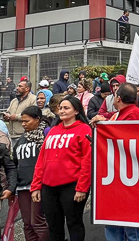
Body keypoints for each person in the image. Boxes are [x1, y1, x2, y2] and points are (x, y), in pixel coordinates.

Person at [31, 96, 92, 241]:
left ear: (76, 110)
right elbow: (42, 160)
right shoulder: (53, 130)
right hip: (48, 186)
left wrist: (82, 188)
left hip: (72, 186)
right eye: (60, 108)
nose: (62, 111)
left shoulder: (84, 129)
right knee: (53, 226)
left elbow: (87, 160)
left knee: (74, 224)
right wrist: (36, 185)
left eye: (66, 108)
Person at [101, 84, 139, 241]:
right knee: (114, 220)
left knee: (129, 224)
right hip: (117, 174)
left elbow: (128, 141)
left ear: (118, 98)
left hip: (126, 176)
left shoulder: (133, 115)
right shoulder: (124, 113)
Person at [14, 106, 49, 241]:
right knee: (27, 224)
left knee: (38, 223)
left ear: (37, 119)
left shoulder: (46, 134)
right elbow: (15, 161)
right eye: (22, 121)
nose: (23, 124)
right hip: (22, 186)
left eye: (26, 121)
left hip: (39, 185)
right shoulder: (22, 138)